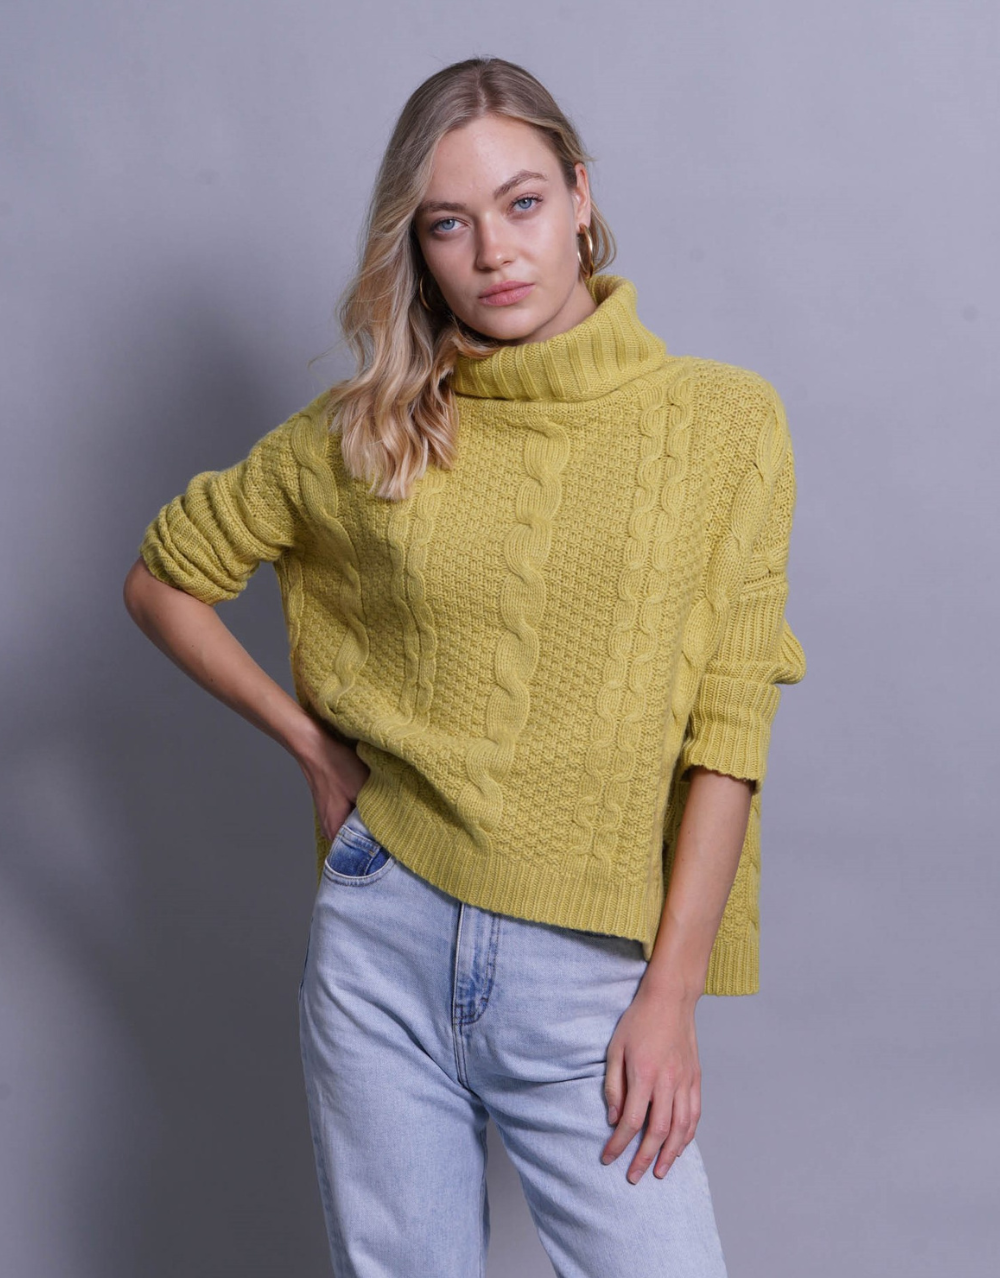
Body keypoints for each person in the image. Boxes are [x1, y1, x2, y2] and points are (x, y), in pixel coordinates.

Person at [123, 55, 806, 1278]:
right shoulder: (371, 427)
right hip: (382, 938)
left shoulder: (723, 424)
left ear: (581, 196)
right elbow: (163, 579)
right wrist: (311, 748)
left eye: (522, 202)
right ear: (418, 247)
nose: (494, 251)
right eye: (450, 223)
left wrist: (670, 996)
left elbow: (729, 730)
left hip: (587, 972)